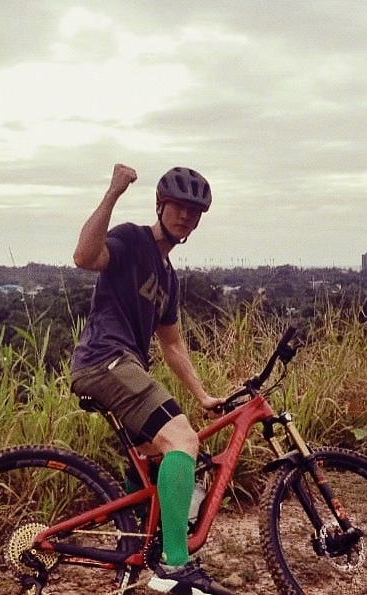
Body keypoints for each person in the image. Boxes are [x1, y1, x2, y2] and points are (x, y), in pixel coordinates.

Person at [70, 164, 234, 595]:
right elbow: (85, 258)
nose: (185, 217)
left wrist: (202, 395)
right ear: (160, 206)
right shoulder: (132, 239)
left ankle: (136, 547)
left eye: (194, 212)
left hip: (126, 365)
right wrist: (112, 193)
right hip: (105, 358)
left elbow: (173, 344)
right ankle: (174, 566)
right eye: (178, 207)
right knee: (182, 441)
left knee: (156, 459)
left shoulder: (168, 277)